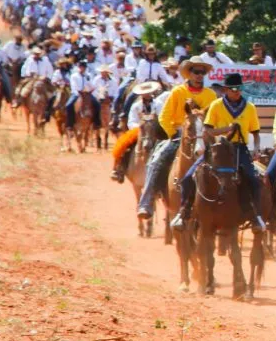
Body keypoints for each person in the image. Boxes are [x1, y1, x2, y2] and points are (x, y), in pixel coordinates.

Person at [170, 73, 266, 232]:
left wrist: (256, 148)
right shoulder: (216, 105)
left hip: (239, 148)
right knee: (188, 177)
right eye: (233, 88)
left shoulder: (250, 107)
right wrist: (227, 129)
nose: (237, 91)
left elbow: (255, 133)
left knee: (253, 179)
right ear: (226, 90)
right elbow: (208, 131)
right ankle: (183, 212)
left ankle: (256, 216)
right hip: (217, 148)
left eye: (239, 88)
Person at [137, 56, 218, 220]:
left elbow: (216, 118)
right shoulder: (178, 92)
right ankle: (147, 202)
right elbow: (164, 117)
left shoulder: (211, 95)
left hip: (204, 136)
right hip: (179, 134)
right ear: (189, 74)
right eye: (196, 72)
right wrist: (173, 134)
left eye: (202, 72)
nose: (199, 75)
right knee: (156, 160)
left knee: (226, 162)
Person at [110, 81, 163, 183]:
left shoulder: (158, 104)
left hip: (155, 130)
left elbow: (162, 118)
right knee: (123, 144)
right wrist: (140, 128)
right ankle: (118, 168)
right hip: (139, 129)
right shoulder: (136, 106)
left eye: (148, 92)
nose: (146, 94)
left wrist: (155, 127)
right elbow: (131, 121)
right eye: (144, 92)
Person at [65, 60, 102, 132]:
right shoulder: (74, 76)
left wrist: (92, 89)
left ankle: (96, 123)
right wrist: (79, 92)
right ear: (79, 67)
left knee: (97, 104)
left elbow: (91, 84)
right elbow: (74, 86)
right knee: (68, 105)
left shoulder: (88, 75)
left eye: (84, 67)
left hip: (87, 94)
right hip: (77, 93)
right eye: (81, 67)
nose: (83, 68)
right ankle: (70, 124)